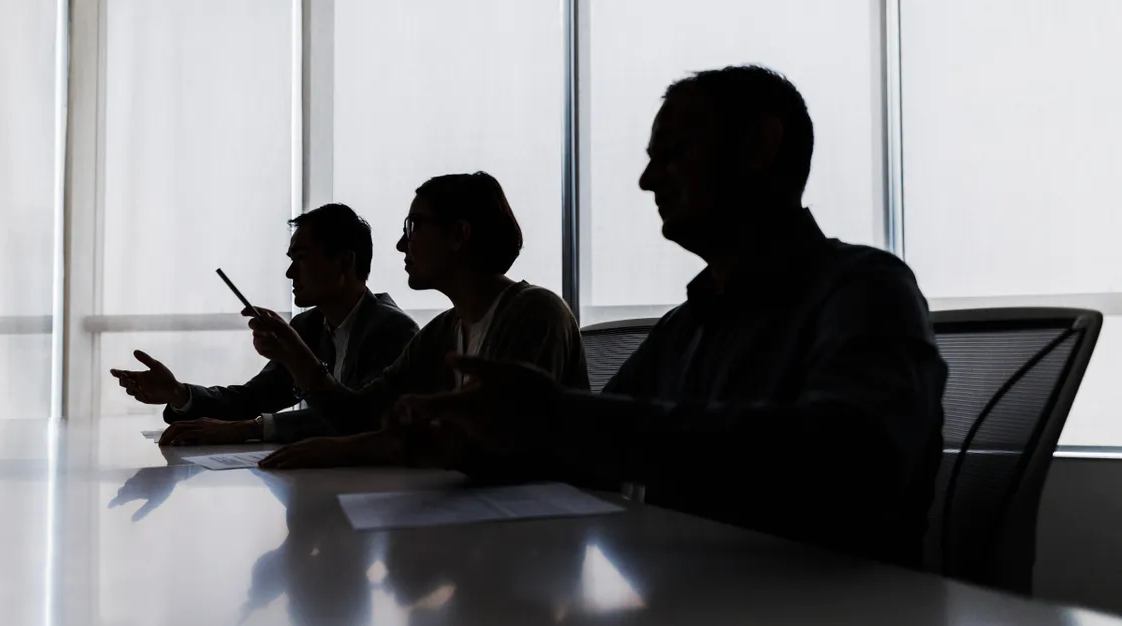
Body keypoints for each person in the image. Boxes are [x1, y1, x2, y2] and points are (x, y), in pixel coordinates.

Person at [392, 66, 948, 568]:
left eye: (673, 152)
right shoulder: (688, 325)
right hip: (700, 616)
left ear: (759, 145)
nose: (647, 180)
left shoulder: (866, 288)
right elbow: (593, 448)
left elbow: (851, 456)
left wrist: (557, 419)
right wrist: (479, 446)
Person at [248, 171, 589, 468]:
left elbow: (494, 442)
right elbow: (359, 416)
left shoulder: (537, 313)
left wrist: (345, 449)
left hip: (547, 525)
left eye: (414, 226)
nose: (400, 244)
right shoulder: (443, 330)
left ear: (459, 234)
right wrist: (293, 353)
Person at [112, 203, 419, 444]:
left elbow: (356, 417)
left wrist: (251, 429)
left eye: (300, 258)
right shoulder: (309, 326)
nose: (289, 273)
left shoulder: (393, 331)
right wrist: (179, 393)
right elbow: (252, 398)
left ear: (344, 262)